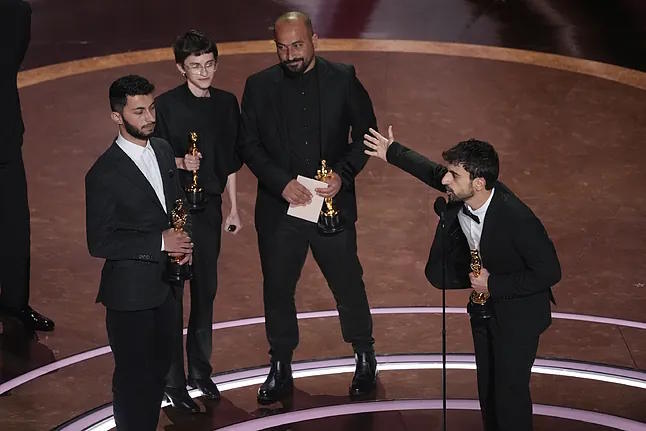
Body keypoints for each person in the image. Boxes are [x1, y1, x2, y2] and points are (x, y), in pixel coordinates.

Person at [364, 127, 561, 431]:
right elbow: (431, 171)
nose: (446, 180)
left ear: (479, 183)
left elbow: (549, 272)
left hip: (519, 315)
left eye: (454, 175)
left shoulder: (518, 219)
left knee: (509, 394)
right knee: (488, 391)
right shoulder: (463, 191)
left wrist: (492, 284)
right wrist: (392, 152)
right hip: (483, 310)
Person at [237, 11, 378, 404]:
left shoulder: (344, 77)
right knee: (278, 289)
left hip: (331, 203)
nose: (290, 54)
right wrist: (282, 184)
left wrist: (343, 176)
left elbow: (366, 133)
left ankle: (364, 355)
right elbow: (248, 144)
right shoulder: (259, 86)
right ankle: (280, 365)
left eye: (297, 45)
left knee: (348, 283)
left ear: (315, 39)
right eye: (282, 47)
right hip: (281, 208)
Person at [85, 75, 192, 430]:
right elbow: (99, 241)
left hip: (165, 286)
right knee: (135, 378)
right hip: (129, 295)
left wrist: (182, 242)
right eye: (139, 111)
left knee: (160, 369)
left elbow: (174, 206)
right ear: (117, 116)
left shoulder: (162, 150)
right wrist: (161, 242)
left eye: (152, 107)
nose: (150, 117)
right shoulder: (103, 174)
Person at [154, 29, 242, 412]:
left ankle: (200, 373)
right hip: (176, 212)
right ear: (180, 68)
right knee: (174, 294)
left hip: (210, 207)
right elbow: (152, 157)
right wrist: (179, 162)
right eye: (195, 66)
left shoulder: (226, 103)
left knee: (205, 293)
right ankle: (172, 381)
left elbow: (230, 161)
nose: (204, 72)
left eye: (209, 65)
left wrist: (235, 207)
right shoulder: (166, 106)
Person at [0, 0, 54, 331]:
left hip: (4, 133)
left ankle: (15, 302)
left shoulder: (15, 10)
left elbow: (9, 61)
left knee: (14, 224)